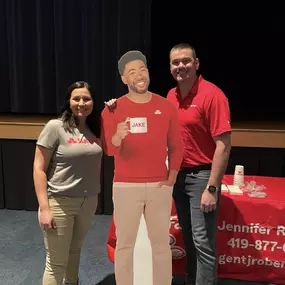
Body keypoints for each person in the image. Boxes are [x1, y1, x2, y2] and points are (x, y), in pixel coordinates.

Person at [101, 50, 183, 285]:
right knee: (125, 245)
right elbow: (109, 150)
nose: (139, 75)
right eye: (132, 72)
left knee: (161, 245)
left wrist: (171, 179)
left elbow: (176, 147)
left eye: (143, 69)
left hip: (159, 185)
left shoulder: (166, 107)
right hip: (126, 186)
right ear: (124, 79)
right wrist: (118, 136)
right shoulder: (112, 110)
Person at [167, 43, 232, 285]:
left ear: (196, 64)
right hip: (179, 177)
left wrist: (212, 188)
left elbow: (223, 146)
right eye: (175, 62)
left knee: (202, 241)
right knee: (188, 236)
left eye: (185, 61)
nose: (180, 66)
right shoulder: (171, 96)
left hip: (202, 177)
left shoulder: (212, 95)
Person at [33, 81, 102, 285]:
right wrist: (44, 208)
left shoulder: (97, 128)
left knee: (75, 251)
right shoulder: (55, 127)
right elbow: (38, 169)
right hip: (59, 203)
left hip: (88, 202)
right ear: (69, 101)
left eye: (86, 98)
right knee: (56, 264)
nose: (81, 103)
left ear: (93, 102)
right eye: (76, 98)